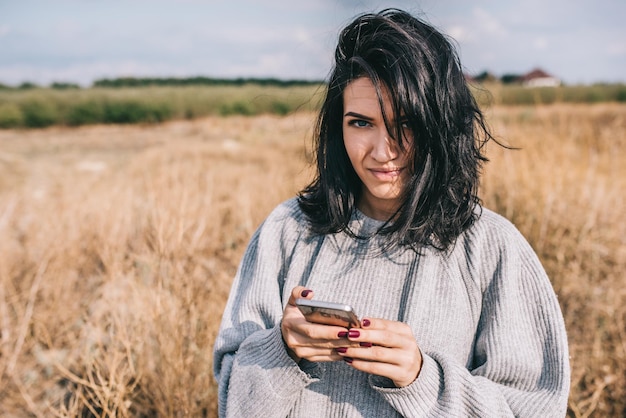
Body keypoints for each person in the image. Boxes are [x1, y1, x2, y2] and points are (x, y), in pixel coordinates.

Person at [213, 8, 570, 417]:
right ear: (337, 127)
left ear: (441, 124)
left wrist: (422, 378)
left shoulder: (493, 249)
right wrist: (282, 348)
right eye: (361, 123)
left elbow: (535, 409)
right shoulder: (286, 230)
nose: (383, 152)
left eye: (406, 123)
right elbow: (231, 404)